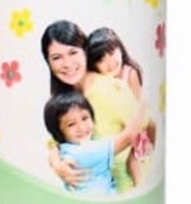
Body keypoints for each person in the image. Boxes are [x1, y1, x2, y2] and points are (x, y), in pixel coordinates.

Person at [41, 20, 156, 193]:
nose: (67, 64)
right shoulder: (65, 98)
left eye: (73, 52)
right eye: (57, 57)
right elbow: (56, 139)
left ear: (85, 52)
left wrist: (141, 180)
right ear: (48, 62)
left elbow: (149, 125)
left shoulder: (108, 90)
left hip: (125, 192)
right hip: (90, 195)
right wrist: (57, 164)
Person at [86, 27, 155, 185]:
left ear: (120, 48)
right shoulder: (101, 81)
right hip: (114, 132)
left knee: (132, 161)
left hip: (134, 128)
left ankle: (139, 187)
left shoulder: (129, 73)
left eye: (111, 53)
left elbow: (137, 104)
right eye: (101, 60)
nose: (109, 63)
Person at [43, 91, 145, 194]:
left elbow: (55, 147)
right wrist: (145, 103)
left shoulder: (65, 150)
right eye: (71, 124)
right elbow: (129, 136)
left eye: (84, 118)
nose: (81, 127)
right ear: (58, 131)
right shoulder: (85, 152)